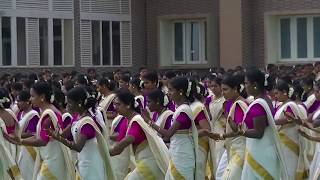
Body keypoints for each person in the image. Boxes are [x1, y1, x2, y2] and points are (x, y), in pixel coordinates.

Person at [10, 82, 75, 180]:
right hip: (50, 156)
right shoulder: (47, 111)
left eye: (32, 96)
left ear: (42, 97)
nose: (30, 99)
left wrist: (20, 141)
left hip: (53, 158)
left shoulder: (49, 114)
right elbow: (38, 135)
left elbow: (42, 141)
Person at [47, 86, 115, 180]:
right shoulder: (76, 117)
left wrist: (59, 138)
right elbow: (64, 135)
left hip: (91, 162)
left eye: (70, 103)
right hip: (81, 160)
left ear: (79, 103)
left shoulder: (88, 122)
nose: (67, 105)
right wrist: (52, 132)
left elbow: (78, 147)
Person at [143, 77, 198, 179]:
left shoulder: (184, 111)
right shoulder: (179, 109)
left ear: (180, 91)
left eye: (171, 90)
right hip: (176, 149)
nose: (169, 93)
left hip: (183, 152)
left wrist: (149, 122)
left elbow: (168, 134)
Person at [240, 69, 288, 179]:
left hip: (260, 152)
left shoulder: (258, 104)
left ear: (255, 84)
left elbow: (259, 132)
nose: (245, 86)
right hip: (262, 150)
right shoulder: (265, 99)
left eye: (246, 83)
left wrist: (240, 132)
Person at [110, 90, 168, 179]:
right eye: (114, 104)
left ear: (128, 104)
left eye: (118, 104)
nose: (115, 107)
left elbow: (129, 138)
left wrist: (107, 151)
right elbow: (119, 148)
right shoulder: (125, 121)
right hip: (142, 161)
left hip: (151, 162)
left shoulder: (137, 120)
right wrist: (105, 151)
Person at [207, 74, 248, 180]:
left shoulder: (239, 104)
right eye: (222, 89)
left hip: (239, 147)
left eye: (225, 89)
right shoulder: (232, 103)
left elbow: (239, 130)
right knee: (221, 174)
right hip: (231, 144)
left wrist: (222, 135)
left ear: (235, 89)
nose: (223, 92)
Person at [273, 79, 307, 179]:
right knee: (284, 169)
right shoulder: (281, 105)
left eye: (277, 93)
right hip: (282, 142)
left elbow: (289, 119)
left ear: (284, 92)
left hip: (290, 142)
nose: (275, 96)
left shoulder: (290, 105)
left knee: (290, 168)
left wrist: (270, 121)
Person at [16, 90, 40, 180]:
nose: (17, 103)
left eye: (19, 101)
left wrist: (15, 135)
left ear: (27, 101)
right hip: (20, 147)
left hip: (29, 149)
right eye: (16, 101)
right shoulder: (20, 113)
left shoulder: (33, 115)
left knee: (28, 172)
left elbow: (31, 133)